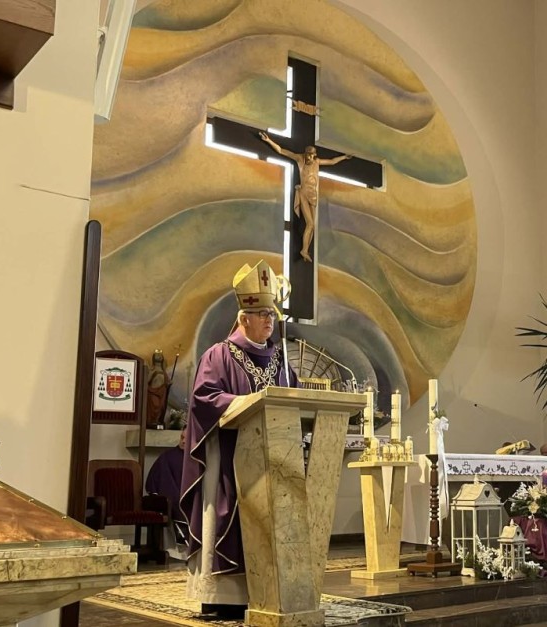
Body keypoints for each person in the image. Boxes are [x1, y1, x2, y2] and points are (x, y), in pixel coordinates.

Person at [180, 260, 298, 619]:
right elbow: (204, 397)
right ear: (243, 318)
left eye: (271, 314)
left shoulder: (280, 361)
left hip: (271, 460)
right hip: (229, 459)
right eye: (262, 314)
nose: (269, 320)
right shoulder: (219, 356)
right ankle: (221, 598)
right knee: (228, 518)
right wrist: (247, 404)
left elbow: (292, 401)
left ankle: (265, 593)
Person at [258, 132, 351, 263]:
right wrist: (268, 140)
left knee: (312, 226)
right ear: (305, 154)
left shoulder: (317, 162)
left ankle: (305, 250)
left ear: (315, 155)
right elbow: (281, 151)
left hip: (313, 195)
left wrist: (343, 157)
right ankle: (304, 250)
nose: (309, 157)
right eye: (307, 154)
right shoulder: (299, 159)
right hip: (303, 193)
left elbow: (331, 162)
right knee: (310, 223)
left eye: (311, 155)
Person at [145, 425, 188, 546]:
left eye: (188, 438)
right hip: (175, 499)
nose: (184, 441)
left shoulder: (199, 459)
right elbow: (159, 482)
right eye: (182, 437)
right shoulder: (167, 457)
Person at [146, 349, 168, 428]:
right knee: (154, 406)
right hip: (153, 392)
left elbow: (167, 381)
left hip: (161, 393)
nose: (158, 356)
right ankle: (151, 421)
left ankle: (157, 421)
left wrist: (169, 383)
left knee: (160, 407)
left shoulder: (163, 371)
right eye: (157, 355)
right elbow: (147, 381)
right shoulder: (152, 370)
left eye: (160, 355)